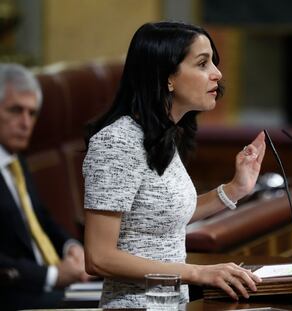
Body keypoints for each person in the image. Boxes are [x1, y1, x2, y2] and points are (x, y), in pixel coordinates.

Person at [83, 21, 266, 309]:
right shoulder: (117, 143)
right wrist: (198, 273)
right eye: (203, 64)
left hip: (168, 304)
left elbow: (162, 217)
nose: (217, 74)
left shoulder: (161, 134)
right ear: (168, 77)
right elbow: (99, 257)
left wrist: (235, 189)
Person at [0, 64, 89, 310]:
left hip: (49, 285)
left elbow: (41, 218)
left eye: (32, 113)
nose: (26, 122)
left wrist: (71, 247)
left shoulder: (15, 160)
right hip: (16, 294)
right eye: (16, 110)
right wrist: (52, 275)